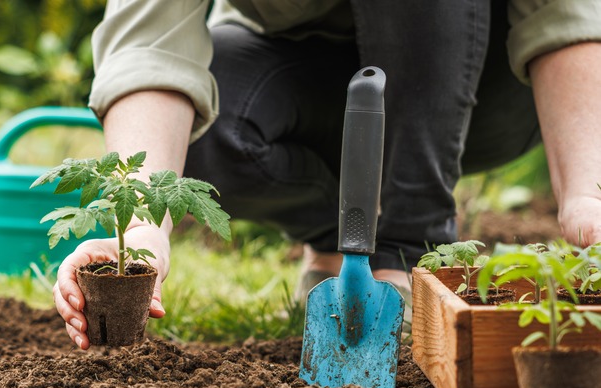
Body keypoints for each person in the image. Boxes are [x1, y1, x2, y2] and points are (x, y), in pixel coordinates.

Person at [54, 0, 601, 350]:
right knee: (214, 127)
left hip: (484, 87)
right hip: (306, 74)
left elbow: (567, 17)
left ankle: (408, 252)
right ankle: (344, 246)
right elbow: (149, 44)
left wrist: (586, 194)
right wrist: (147, 228)